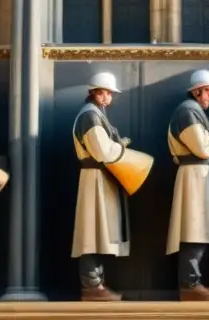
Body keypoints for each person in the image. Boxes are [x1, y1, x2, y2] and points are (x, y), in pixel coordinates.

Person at [166, 69, 209, 301]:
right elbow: (203, 147)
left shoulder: (193, 111)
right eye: (208, 91)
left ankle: (193, 283)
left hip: (200, 174)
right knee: (194, 229)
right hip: (195, 176)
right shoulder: (188, 111)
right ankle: (189, 284)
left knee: (200, 229)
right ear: (196, 91)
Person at [71, 72, 131, 301]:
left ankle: (96, 283)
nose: (108, 97)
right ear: (95, 92)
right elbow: (102, 151)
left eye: (109, 93)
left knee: (96, 232)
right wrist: (121, 149)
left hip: (98, 177)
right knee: (91, 233)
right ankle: (91, 285)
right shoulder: (90, 116)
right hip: (94, 176)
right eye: (104, 92)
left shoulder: (94, 114)